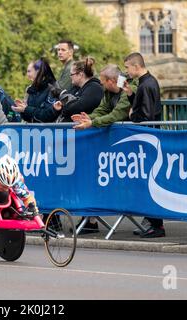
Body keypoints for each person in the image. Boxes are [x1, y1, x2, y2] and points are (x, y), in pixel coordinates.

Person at [122, 52, 165, 238]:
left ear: (136, 66)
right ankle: (153, 223)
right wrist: (132, 96)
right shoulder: (146, 83)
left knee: (150, 182)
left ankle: (156, 225)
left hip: (148, 139)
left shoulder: (146, 84)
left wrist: (132, 116)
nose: (127, 72)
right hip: (150, 138)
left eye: (127, 68)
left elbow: (146, 115)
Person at [72, 64, 134, 129]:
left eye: (103, 83)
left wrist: (92, 123)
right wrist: (89, 117)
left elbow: (116, 115)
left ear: (111, 81)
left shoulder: (129, 90)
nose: (101, 85)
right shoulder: (108, 92)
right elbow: (102, 110)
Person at [52, 57, 104, 122]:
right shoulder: (77, 88)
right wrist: (60, 106)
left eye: (71, 74)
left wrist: (65, 105)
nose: (70, 77)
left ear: (80, 74)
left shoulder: (94, 88)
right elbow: (65, 102)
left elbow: (78, 107)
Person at [12, 58, 58, 123]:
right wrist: (22, 109)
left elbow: (47, 115)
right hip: (32, 130)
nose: (27, 74)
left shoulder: (52, 89)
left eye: (29, 71)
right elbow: (28, 117)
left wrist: (26, 109)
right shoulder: (31, 89)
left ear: (38, 71)